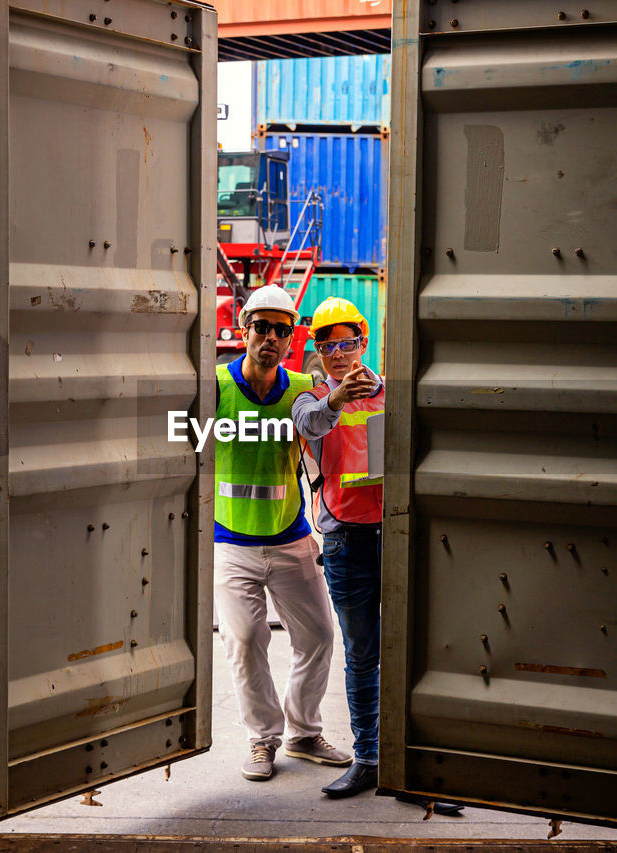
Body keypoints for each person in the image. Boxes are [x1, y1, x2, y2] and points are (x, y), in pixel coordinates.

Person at [213, 284, 352, 781]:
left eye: (280, 329)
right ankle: (262, 738)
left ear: (289, 340)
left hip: (291, 537)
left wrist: (336, 396)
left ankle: (303, 732)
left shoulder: (299, 390)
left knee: (317, 635)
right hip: (230, 543)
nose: (269, 337)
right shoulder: (216, 389)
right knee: (245, 639)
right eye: (261, 327)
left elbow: (318, 422)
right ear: (244, 330)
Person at [291, 297, 385, 798]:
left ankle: (412, 761)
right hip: (345, 541)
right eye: (327, 346)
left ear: (363, 343)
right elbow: (310, 426)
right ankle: (368, 758)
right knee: (362, 653)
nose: (338, 354)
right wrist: (338, 399)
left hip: (394, 533)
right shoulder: (311, 401)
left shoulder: (393, 394)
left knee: (408, 650)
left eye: (347, 343)